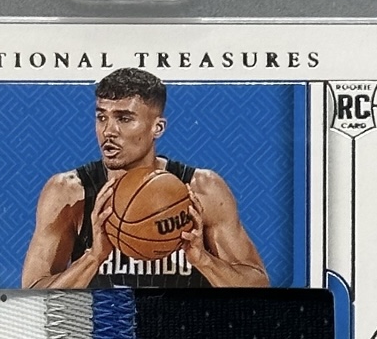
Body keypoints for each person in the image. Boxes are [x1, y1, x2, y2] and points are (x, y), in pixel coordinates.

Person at [20, 68, 270, 289]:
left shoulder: (202, 189)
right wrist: (93, 257)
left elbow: (258, 286)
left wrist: (203, 260)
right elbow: (32, 298)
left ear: (157, 128)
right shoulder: (69, 193)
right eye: (102, 117)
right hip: (106, 327)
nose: (108, 131)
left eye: (124, 118)